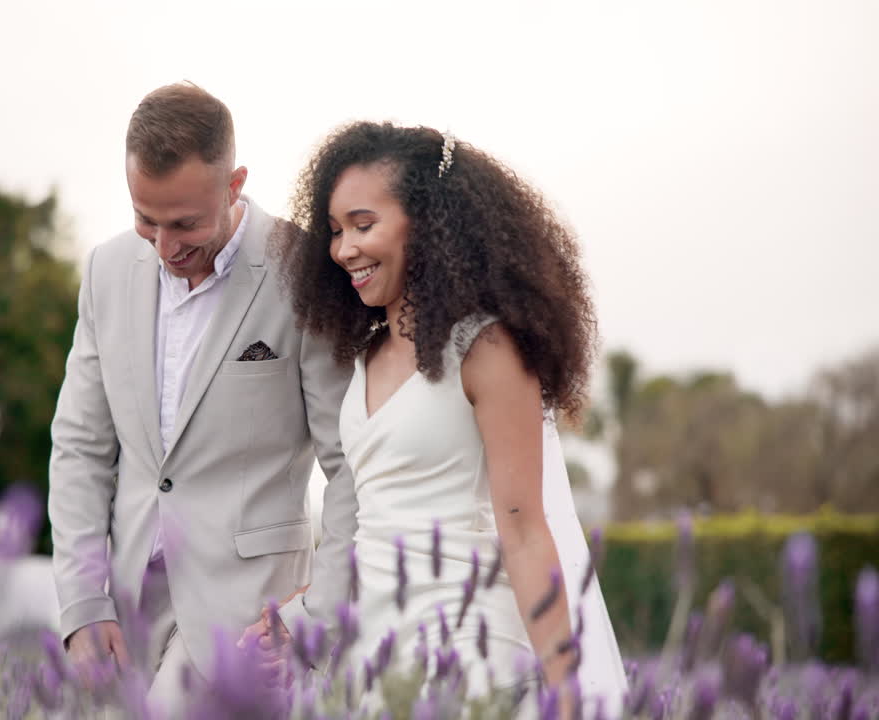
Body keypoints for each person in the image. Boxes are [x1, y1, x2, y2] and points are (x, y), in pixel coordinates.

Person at [249, 121, 627, 714]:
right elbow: (375, 519)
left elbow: (526, 533)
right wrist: (302, 609)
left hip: (474, 660)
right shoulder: (364, 354)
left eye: (363, 224)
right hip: (377, 662)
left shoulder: (486, 351)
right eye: (335, 230)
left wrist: (568, 695)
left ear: (425, 222)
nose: (345, 248)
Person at [47, 83, 357, 716]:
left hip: (250, 619)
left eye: (185, 223)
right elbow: (79, 448)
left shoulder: (304, 272)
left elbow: (351, 466)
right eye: (146, 220)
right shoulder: (106, 271)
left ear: (235, 182)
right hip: (125, 620)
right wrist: (82, 605)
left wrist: (313, 614)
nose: (164, 246)